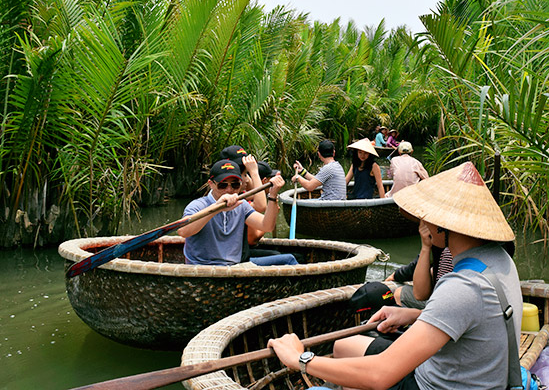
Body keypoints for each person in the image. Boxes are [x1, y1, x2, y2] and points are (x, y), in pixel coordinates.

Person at [268, 162, 522, 389]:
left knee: (356, 368)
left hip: (430, 384)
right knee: (342, 346)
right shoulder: (499, 260)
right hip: (474, 375)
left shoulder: (462, 286)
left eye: (428, 216)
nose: (423, 221)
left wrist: (300, 359)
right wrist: (414, 314)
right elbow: (473, 318)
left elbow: (380, 375)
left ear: (443, 224)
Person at [177, 158, 298, 267]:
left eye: (234, 185)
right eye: (223, 185)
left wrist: (272, 196)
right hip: (203, 268)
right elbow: (183, 231)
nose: (229, 190)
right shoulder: (198, 205)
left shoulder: (241, 205)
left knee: (289, 259)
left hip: (235, 267)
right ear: (211, 184)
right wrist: (216, 208)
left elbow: (266, 225)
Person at [386, 221, 453, 309]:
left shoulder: (448, 255)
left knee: (400, 293)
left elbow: (420, 295)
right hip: (446, 303)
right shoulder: (447, 250)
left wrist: (426, 246)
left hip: (445, 308)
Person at [219, 145, 267, 212]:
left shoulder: (238, 192)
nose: (247, 180)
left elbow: (254, 192)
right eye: (244, 175)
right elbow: (261, 206)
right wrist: (254, 173)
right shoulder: (226, 196)